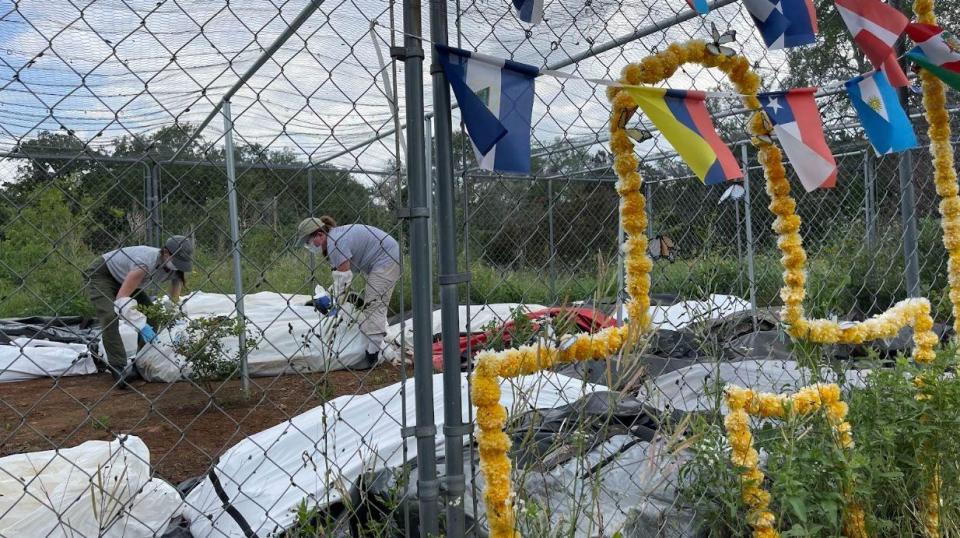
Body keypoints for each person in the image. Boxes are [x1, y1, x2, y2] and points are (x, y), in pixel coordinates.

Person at [85, 236, 194, 388]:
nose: (177, 266)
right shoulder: (144, 263)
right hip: (103, 274)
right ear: (166, 253)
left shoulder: (176, 270)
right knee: (110, 315)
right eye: (176, 261)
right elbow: (121, 300)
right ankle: (118, 367)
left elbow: (173, 300)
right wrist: (141, 325)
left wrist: (175, 318)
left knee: (153, 316)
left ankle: (141, 362)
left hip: (126, 279)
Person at [298, 216, 400, 368]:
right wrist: (331, 297)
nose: (309, 246)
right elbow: (340, 279)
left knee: (375, 306)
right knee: (373, 303)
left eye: (308, 242)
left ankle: (372, 356)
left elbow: (344, 281)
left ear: (320, 235)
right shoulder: (334, 239)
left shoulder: (335, 243)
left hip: (386, 259)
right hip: (385, 256)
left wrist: (334, 305)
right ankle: (375, 348)